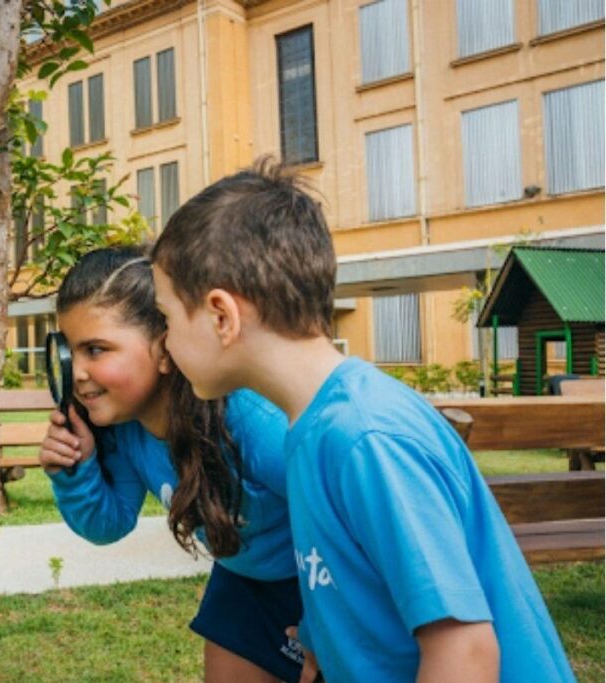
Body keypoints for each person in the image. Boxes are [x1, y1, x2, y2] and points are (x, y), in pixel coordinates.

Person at [150, 157, 576, 683]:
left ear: (221, 316)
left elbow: (464, 653)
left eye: (166, 318)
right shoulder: (310, 429)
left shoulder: (365, 436)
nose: (164, 345)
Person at [39, 245, 305, 683]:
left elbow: (354, 521)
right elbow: (108, 524)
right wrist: (77, 469)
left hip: (322, 578)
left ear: (165, 349)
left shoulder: (252, 421)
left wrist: (329, 622)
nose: (78, 372)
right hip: (243, 580)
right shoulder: (125, 429)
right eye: (69, 351)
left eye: (97, 349)